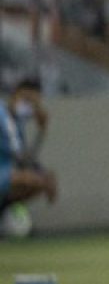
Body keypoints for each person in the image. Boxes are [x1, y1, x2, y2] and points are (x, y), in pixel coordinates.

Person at [1, 77, 57, 234]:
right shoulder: (3, 116)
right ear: (15, 95)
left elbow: (25, 159)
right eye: (27, 100)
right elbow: (22, 159)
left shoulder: (17, 122)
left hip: (5, 171)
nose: (30, 107)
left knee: (43, 179)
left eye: (34, 104)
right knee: (31, 179)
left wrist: (41, 131)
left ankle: (4, 213)